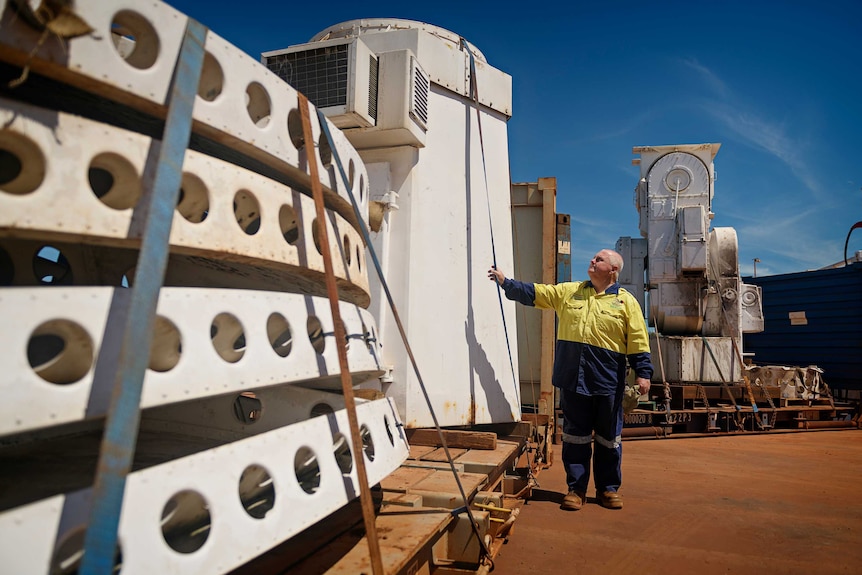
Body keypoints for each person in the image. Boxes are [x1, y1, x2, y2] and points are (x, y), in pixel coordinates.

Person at [488, 249, 652, 510]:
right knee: (575, 436)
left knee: (609, 438)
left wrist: (643, 373)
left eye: (598, 259)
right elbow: (537, 293)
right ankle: (576, 489)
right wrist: (507, 282)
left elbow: (638, 340)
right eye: (593, 258)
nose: (592, 261)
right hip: (573, 379)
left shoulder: (626, 302)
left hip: (608, 381)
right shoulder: (570, 292)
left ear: (612, 270)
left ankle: (608, 489)